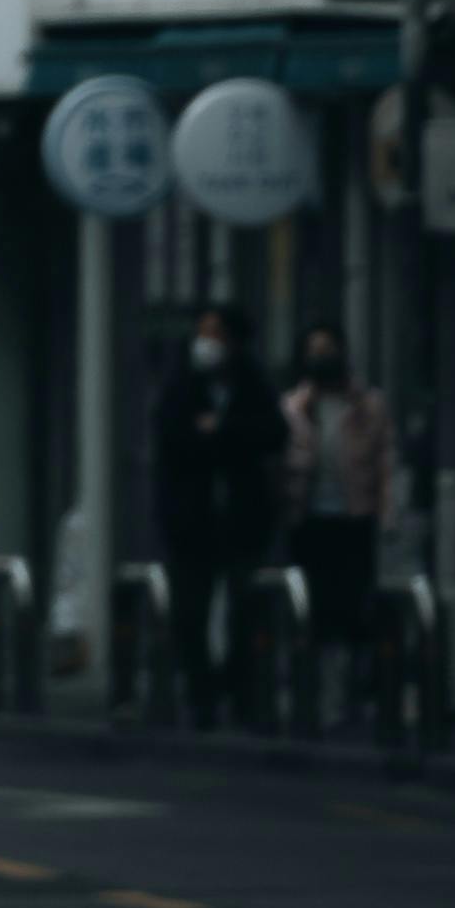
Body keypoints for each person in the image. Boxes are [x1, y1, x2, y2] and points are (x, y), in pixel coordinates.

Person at [154, 305, 288, 728]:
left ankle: (242, 694)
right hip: (192, 521)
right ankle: (201, 696)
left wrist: (222, 431)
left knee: (244, 612)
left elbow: (274, 432)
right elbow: (172, 435)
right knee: (189, 614)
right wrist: (210, 438)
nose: (205, 342)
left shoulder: (252, 384)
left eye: (215, 334)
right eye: (201, 332)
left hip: (242, 519)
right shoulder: (182, 384)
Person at [282, 321, 392, 724]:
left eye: (327, 348)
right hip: (309, 520)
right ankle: (315, 696)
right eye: (313, 349)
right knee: (315, 610)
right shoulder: (296, 407)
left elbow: (384, 465)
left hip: (353, 518)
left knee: (352, 608)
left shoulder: (368, 406)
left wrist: (387, 515)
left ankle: (350, 695)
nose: (320, 357)